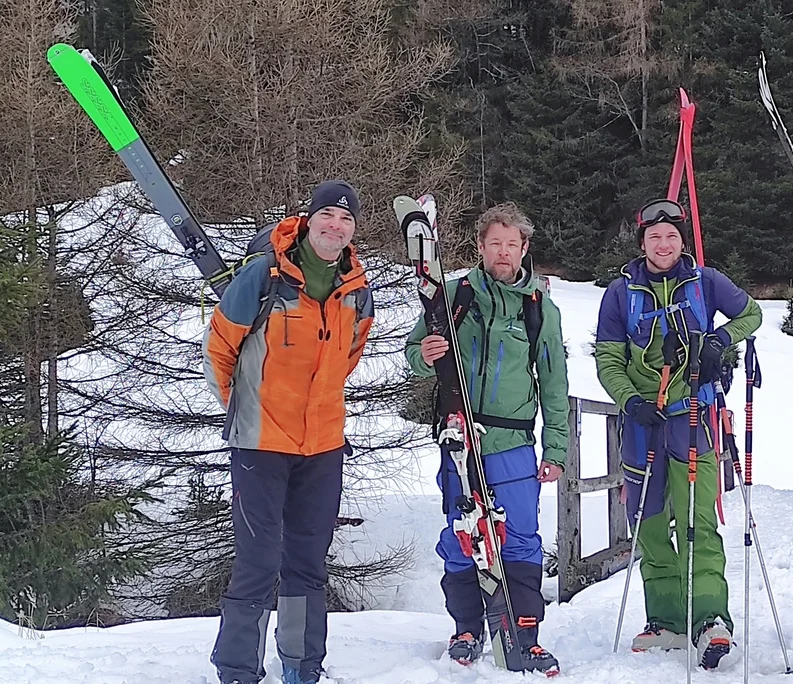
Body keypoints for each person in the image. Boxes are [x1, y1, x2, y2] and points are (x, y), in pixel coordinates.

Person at [202, 180, 374, 684]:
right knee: (257, 562)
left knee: (307, 562)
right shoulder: (264, 276)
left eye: (346, 219)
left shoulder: (356, 291)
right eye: (327, 216)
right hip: (261, 444)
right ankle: (238, 670)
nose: (335, 226)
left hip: (322, 447)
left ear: (353, 230)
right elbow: (219, 347)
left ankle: (301, 666)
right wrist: (243, 408)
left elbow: (347, 358)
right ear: (309, 219)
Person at [593, 198, 762, 670]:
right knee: (648, 523)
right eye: (654, 237)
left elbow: (751, 314)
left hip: (693, 417)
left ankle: (710, 619)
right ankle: (666, 619)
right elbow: (608, 357)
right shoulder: (620, 293)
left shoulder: (706, 282)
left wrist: (719, 341)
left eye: (671, 236)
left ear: (681, 241)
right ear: (642, 243)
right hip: (642, 422)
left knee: (697, 520)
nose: (663, 244)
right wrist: (631, 400)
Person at [404, 201, 569, 675]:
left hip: (513, 443)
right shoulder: (454, 296)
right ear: (480, 246)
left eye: (511, 244)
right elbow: (415, 353)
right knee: (462, 534)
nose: (503, 252)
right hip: (458, 438)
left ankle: (524, 633)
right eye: (494, 243)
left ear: (524, 248)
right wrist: (425, 354)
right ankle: (467, 628)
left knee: (520, 538)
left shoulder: (538, 307)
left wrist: (556, 448)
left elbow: (554, 382)